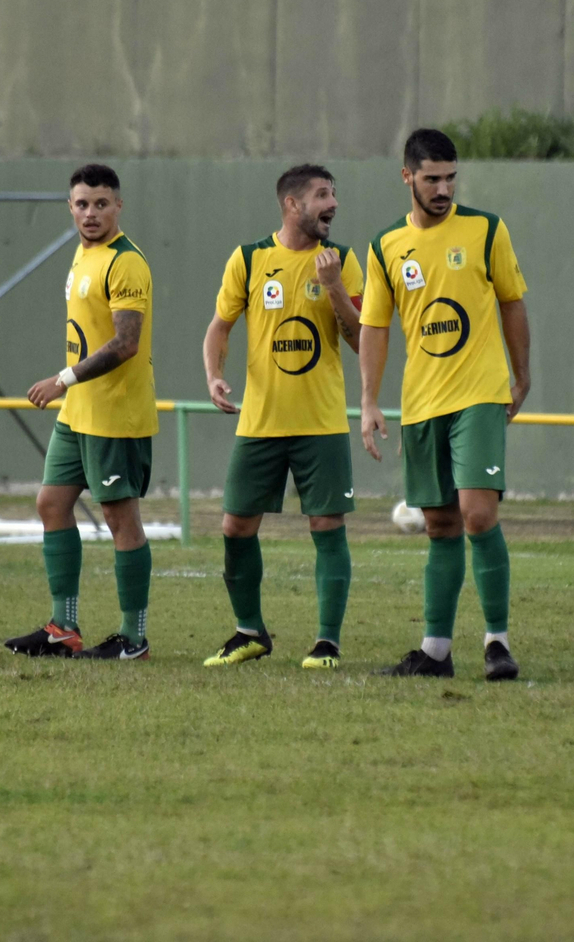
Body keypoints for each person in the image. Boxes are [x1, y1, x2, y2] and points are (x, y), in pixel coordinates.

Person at [359, 128, 531, 681]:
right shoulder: (386, 245)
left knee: (478, 514)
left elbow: (512, 302)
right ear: (407, 177)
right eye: (432, 178)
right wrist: (367, 400)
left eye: (451, 177)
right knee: (438, 524)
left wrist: (520, 374)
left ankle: (497, 643)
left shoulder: (485, 229)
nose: (443, 188)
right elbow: (375, 328)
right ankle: (435, 651)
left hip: (479, 391)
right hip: (422, 401)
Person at [201, 165, 363, 669]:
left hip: (321, 422)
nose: (332, 203)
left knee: (327, 526)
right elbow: (219, 327)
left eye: (334, 194)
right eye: (321, 195)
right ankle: (250, 632)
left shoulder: (343, 260)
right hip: (261, 423)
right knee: (234, 527)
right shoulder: (249, 259)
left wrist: (334, 286)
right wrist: (214, 375)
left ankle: (327, 644)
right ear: (292, 205)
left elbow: (361, 337)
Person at [7, 164, 157, 660]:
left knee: (119, 519)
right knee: (51, 504)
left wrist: (62, 379)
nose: (90, 213)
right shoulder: (82, 253)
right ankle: (63, 628)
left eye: (100, 204)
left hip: (114, 413)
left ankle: (133, 639)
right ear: (69, 207)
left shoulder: (126, 263)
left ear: (119, 206)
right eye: (81, 204)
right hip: (78, 412)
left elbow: (126, 343)